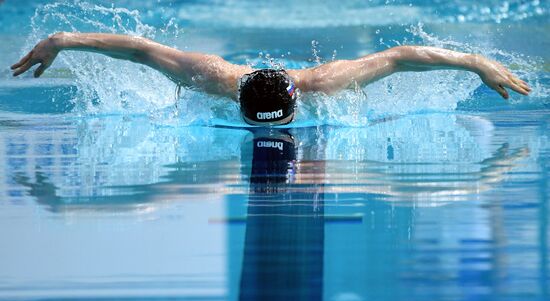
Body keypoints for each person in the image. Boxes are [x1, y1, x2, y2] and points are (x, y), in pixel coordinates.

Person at [11, 32, 531, 125]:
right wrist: (62, 39)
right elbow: (141, 50)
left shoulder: (325, 84)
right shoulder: (213, 79)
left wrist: (475, 62)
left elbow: (401, 55)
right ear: (235, 101)